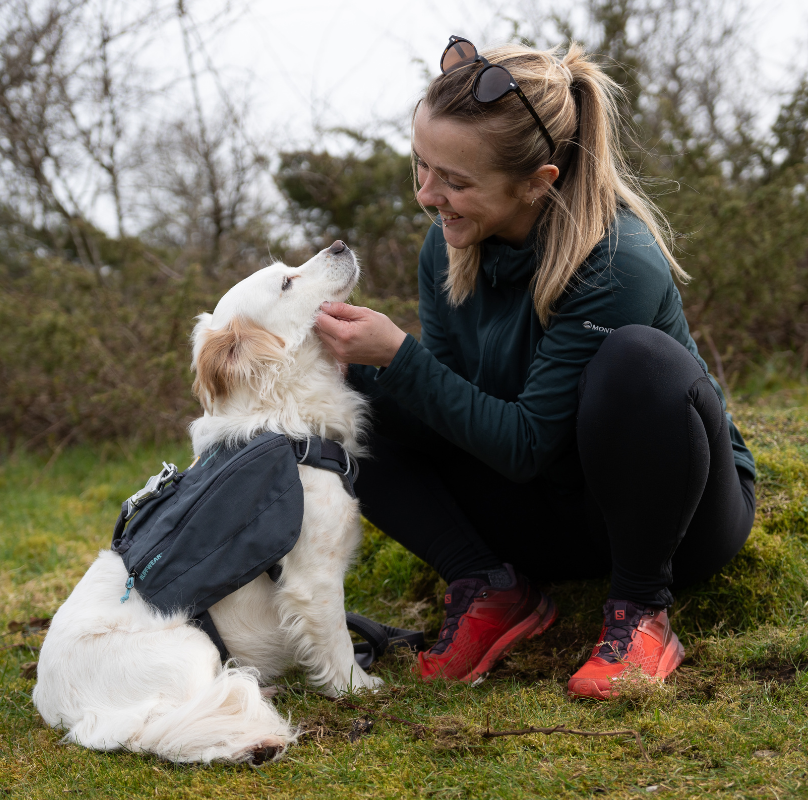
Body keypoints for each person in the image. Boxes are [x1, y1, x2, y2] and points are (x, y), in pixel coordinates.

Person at [315, 36, 756, 700]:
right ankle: (489, 588)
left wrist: (400, 357)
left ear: (536, 183)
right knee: (336, 389)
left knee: (639, 362)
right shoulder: (446, 245)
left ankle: (642, 612)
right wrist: (373, 368)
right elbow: (455, 405)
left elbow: (524, 445)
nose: (427, 195)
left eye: (455, 182)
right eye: (421, 167)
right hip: (542, 514)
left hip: (669, 522)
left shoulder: (617, 262)